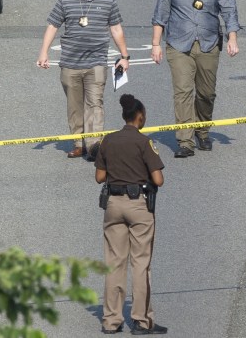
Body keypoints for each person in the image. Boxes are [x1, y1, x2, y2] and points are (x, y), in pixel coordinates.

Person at [150, 0, 240, 158]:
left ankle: (202, 130)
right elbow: (161, 13)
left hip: (208, 44)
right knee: (182, 92)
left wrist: (232, 39)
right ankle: (185, 141)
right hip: (179, 45)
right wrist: (155, 44)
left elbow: (229, 11)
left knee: (206, 94)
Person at [37, 0, 129, 161]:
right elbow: (53, 25)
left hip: (96, 62)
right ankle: (79, 143)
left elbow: (116, 28)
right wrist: (44, 52)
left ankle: (94, 144)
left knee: (95, 103)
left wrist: (124, 55)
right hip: (70, 63)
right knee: (74, 106)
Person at [95, 94, 167, 335]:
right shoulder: (143, 142)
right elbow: (158, 179)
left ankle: (111, 321)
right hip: (138, 206)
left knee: (114, 263)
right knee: (140, 263)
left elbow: (99, 177)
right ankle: (141, 320)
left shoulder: (108, 140)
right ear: (140, 117)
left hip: (113, 204)